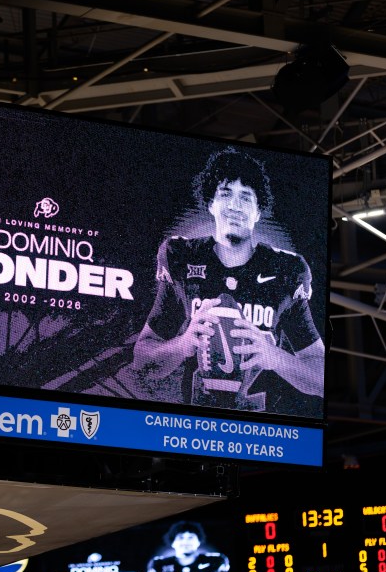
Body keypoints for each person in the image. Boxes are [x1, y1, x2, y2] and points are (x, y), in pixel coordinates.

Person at [130, 146, 324, 414]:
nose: (235, 206)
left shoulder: (288, 270)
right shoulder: (181, 256)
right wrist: (184, 344)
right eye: (225, 193)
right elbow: (142, 361)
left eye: (246, 197)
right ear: (211, 203)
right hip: (189, 426)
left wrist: (275, 357)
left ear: (258, 212)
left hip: (261, 435)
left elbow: (322, 378)